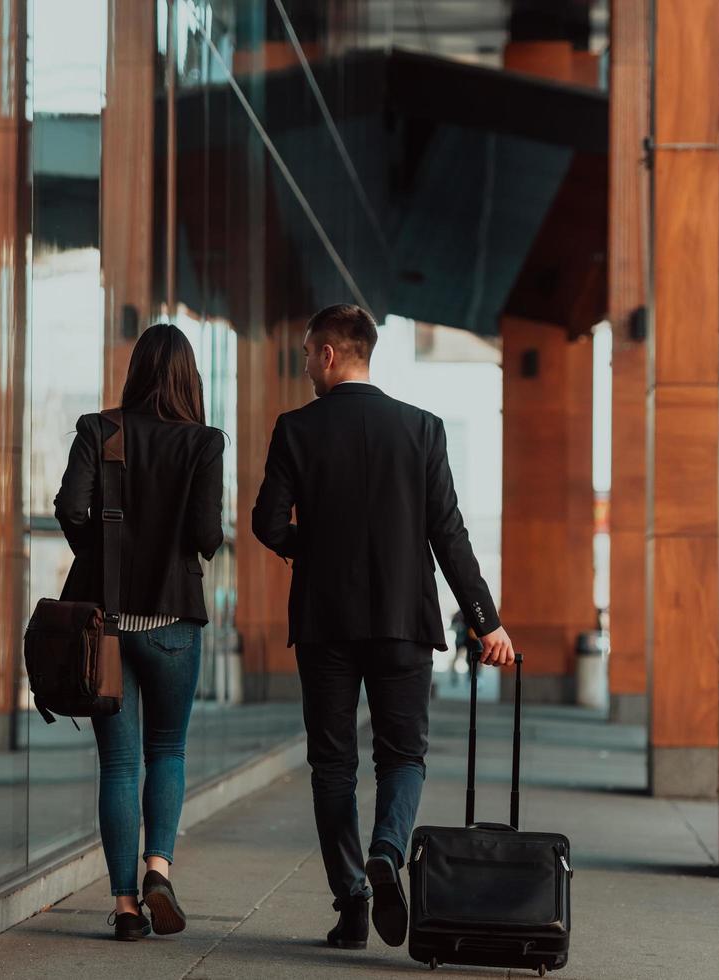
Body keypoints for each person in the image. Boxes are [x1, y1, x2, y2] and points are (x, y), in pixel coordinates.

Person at [251, 304, 514, 951]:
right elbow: (448, 534)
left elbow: (264, 522)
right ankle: (387, 848)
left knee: (332, 765)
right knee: (403, 756)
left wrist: (305, 547)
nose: (307, 365)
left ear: (331, 355)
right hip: (403, 619)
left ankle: (351, 903)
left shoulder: (296, 429)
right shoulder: (422, 430)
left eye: (310, 353)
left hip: (325, 622)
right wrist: (488, 623)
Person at [54, 323, 225, 941]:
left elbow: (71, 508)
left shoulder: (99, 431)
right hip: (173, 621)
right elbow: (206, 535)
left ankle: (125, 908)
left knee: (119, 765)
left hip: (105, 625)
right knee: (167, 752)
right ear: (188, 378)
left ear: (136, 371)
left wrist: (101, 558)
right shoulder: (203, 443)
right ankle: (159, 870)